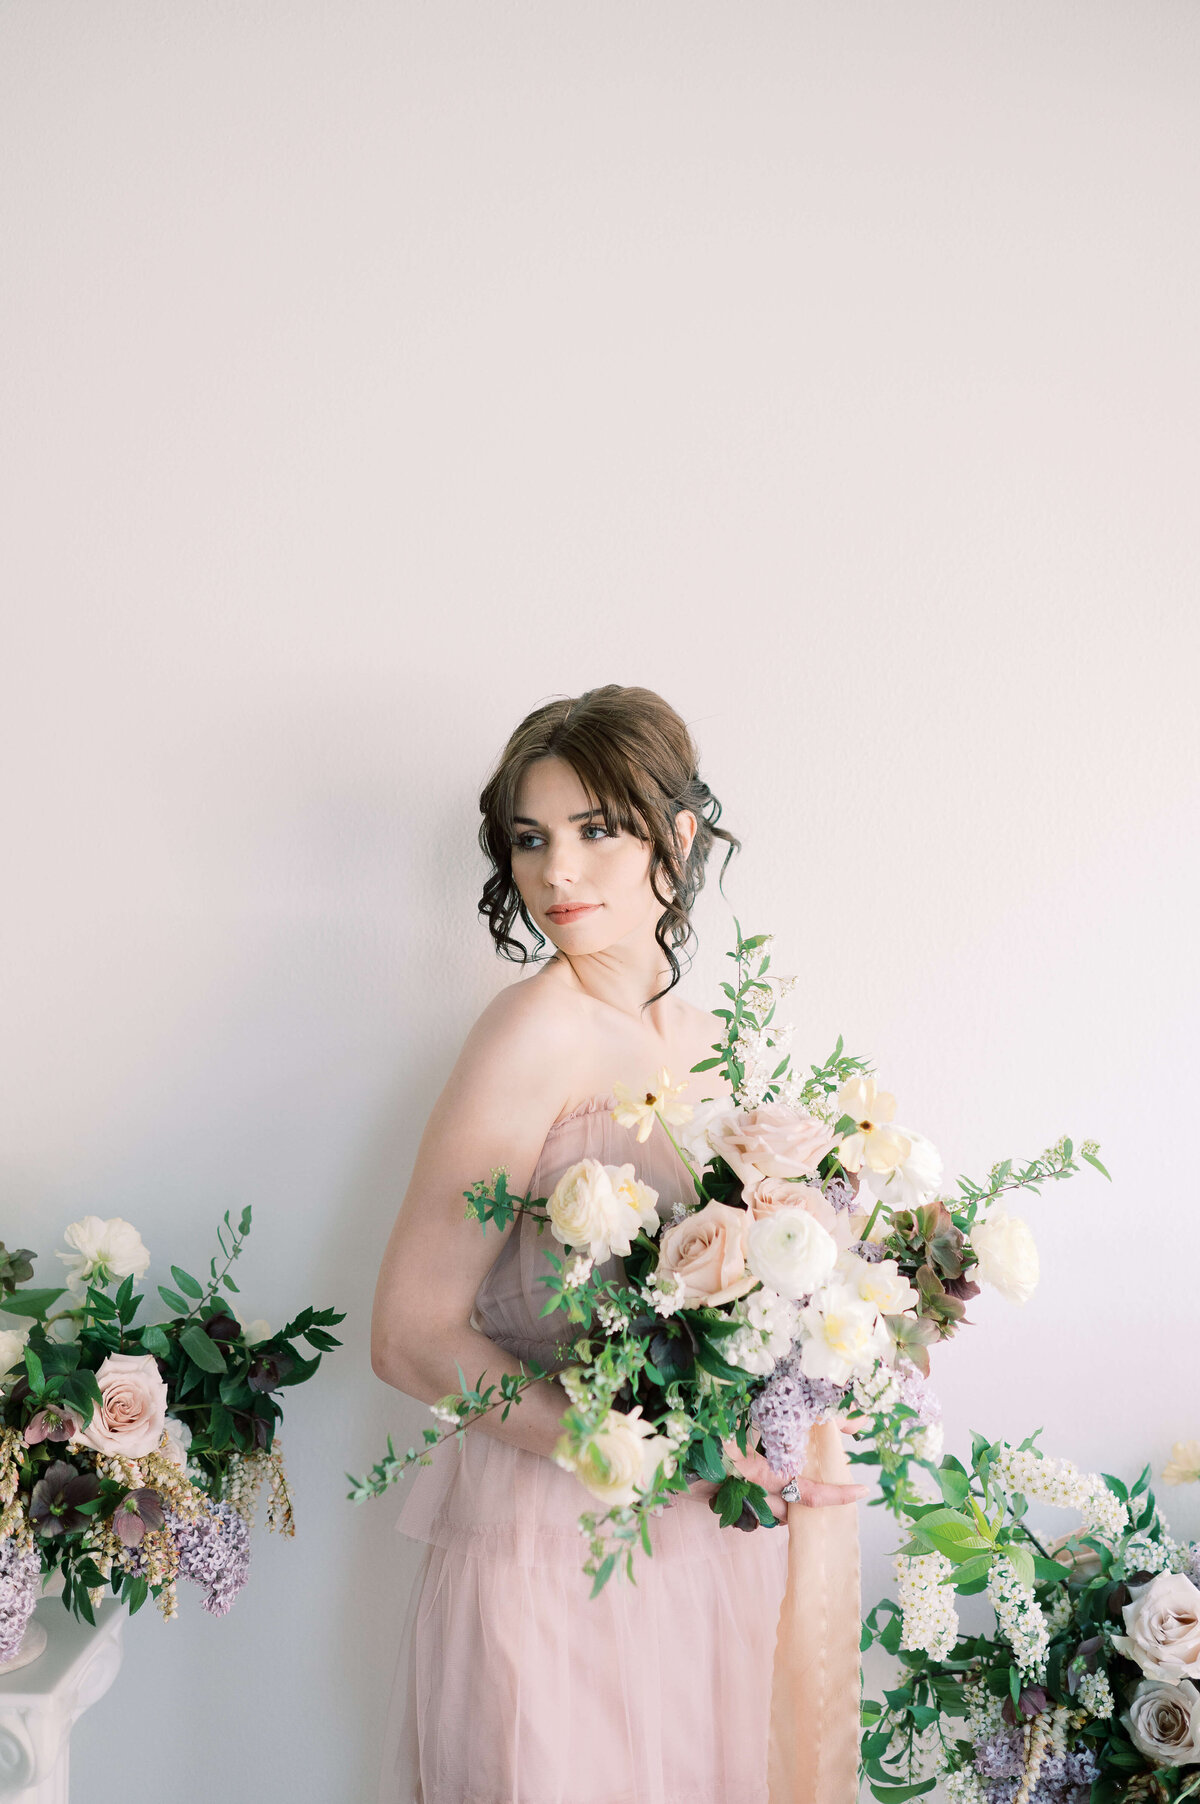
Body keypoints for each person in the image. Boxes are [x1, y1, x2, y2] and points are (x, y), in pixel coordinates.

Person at [371, 684, 866, 1804]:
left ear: (677, 838)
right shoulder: (530, 1033)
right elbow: (407, 1336)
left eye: (598, 830)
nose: (558, 874)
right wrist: (609, 1450)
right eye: (533, 839)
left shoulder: (710, 1044)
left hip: (712, 1538)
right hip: (557, 1536)